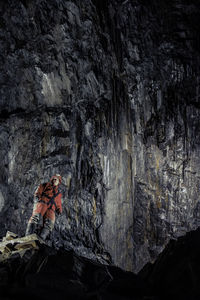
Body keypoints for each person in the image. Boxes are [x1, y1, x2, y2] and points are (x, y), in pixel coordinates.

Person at [26, 174, 63, 240]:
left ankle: (41, 239)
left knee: (49, 223)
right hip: (42, 203)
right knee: (35, 217)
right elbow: (39, 190)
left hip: (51, 208)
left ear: (59, 182)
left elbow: (58, 202)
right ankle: (28, 236)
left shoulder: (58, 193)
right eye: (54, 179)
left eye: (56, 179)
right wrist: (37, 196)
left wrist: (59, 210)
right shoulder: (45, 185)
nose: (54, 180)